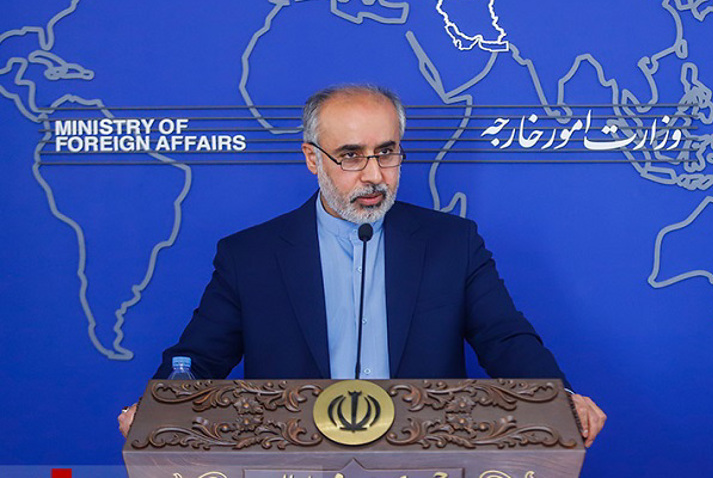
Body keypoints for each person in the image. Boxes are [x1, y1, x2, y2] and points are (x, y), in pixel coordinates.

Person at [118, 84, 606, 446]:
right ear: (313, 158)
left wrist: (556, 399)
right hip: (292, 460)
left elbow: (506, 340)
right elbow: (198, 359)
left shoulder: (452, 243)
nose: (374, 175)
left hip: (425, 458)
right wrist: (163, 404)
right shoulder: (250, 255)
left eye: (387, 152)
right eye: (351, 156)